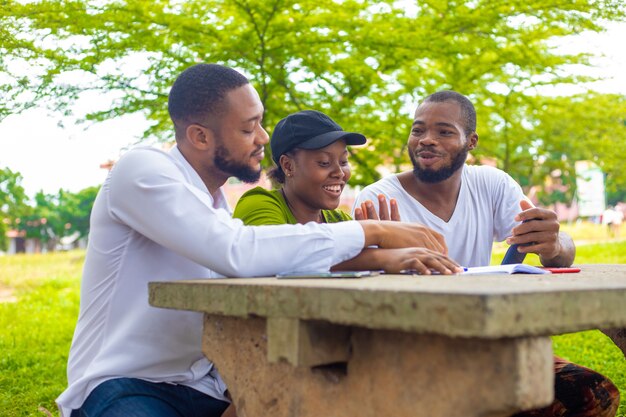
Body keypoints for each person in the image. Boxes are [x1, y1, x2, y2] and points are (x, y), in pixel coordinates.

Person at [55, 64, 454, 417]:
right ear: (199, 136)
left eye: (260, 123)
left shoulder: (213, 204)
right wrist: (373, 232)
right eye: (248, 128)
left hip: (204, 386)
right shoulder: (141, 170)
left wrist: (382, 259)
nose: (263, 137)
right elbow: (239, 251)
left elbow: (266, 260)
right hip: (125, 384)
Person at [353, 90, 620, 417]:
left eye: (444, 131)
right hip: (411, 349)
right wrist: (386, 258)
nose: (426, 140)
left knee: (594, 395)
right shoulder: (378, 199)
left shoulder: (491, 184)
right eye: (418, 129)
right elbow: (359, 289)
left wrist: (554, 244)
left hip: (484, 342)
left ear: (471, 141)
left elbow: (560, 252)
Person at [233, 109, 461, 274]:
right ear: (288, 166)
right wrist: (380, 249)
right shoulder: (259, 202)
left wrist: (394, 251)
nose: (339, 173)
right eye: (324, 163)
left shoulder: (339, 220)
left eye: (343, 162)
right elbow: (273, 255)